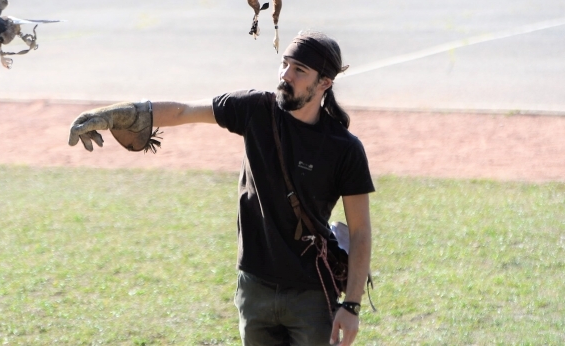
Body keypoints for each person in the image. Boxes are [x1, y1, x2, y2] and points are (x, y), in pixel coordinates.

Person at [68, 30, 374, 346]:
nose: (285, 75)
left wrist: (351, 305)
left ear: (324, 82)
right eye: (284, 64)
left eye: (299, 70)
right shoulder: (256, 110)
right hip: (254, 288)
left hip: (311, 295)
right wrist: (113, 115)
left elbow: (361, 231)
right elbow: (184, 111)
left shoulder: (344, 149)